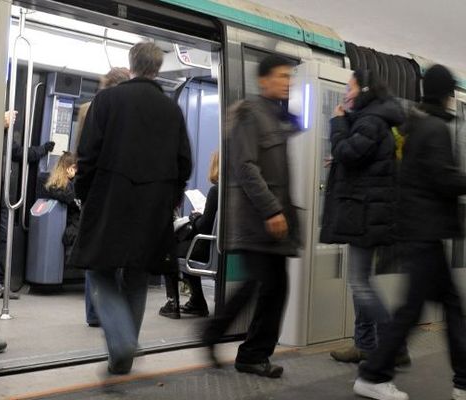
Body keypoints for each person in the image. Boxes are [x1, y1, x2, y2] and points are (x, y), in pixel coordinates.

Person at [68, 42, 192, 375]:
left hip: (109, 199)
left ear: (131, 64)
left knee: (99, 269)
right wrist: (172, 196)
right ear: (158, 68)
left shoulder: (107, 100)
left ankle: (121, 341)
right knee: (137, 275)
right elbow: (184, 162)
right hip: (154, 206)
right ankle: (123, 355)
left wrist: (83, 192)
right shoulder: (171, 109)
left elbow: (88, 154)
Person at [355, 65, 466, 400]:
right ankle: (373, 376)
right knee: (413, 310)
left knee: (448, 305)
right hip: (423, 232)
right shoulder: (433, 128)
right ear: (445, 94)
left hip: (419, 230)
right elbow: (442, 179)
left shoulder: (417, 123)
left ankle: (463, 381)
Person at [201, 55, 300, 378]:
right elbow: (245, 167)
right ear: (263, 80)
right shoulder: (249, 114)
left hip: (272, 220)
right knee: (266, 285)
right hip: (257, 218)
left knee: (270, 286)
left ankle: (243, 349)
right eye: (282, 76)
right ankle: (239, 347)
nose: (288, 82)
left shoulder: (275, 116)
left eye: (290, 77)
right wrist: (271, 209)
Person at [319, 70, 410, 366]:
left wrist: (337, 122)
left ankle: (392, 344)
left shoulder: (370, 120)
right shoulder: (373, 119)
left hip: (366, 213)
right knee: (360, 280)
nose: (346, 93)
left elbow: (348, 151)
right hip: (366, 211)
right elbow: (361, 158)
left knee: (359, 282)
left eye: (349, 87)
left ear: (364, 90)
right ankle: (366, 344)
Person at [0, 110, 54, 355]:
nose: (12, 118)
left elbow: (21, 154)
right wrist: (1, 123)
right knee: (0, 238)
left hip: (0, 195)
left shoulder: (6, 137)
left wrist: (43, 149)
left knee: (3, 239)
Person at [74, 67, 130, 327]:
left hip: (93, 191)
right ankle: (110, 310)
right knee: (115, 255)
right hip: (115, 192)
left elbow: (83, 151)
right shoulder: (124, 112)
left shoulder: (88, 108)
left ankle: (93, 313)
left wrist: (82, 191)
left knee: (93, 253)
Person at [159, 151, 219, 319]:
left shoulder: (216, 191)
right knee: (184, 247)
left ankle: (172, 303)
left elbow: (204, 225)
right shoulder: (231, 192)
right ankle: (197, 301)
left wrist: (196, 216)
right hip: (217, 247)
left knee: (169, 250)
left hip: (206, 247)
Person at [39, 151, 80, 259]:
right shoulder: (65, 186)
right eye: (75, 168)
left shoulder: (53, 183)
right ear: (69, 168)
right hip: (71, 228)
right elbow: (71, 199)